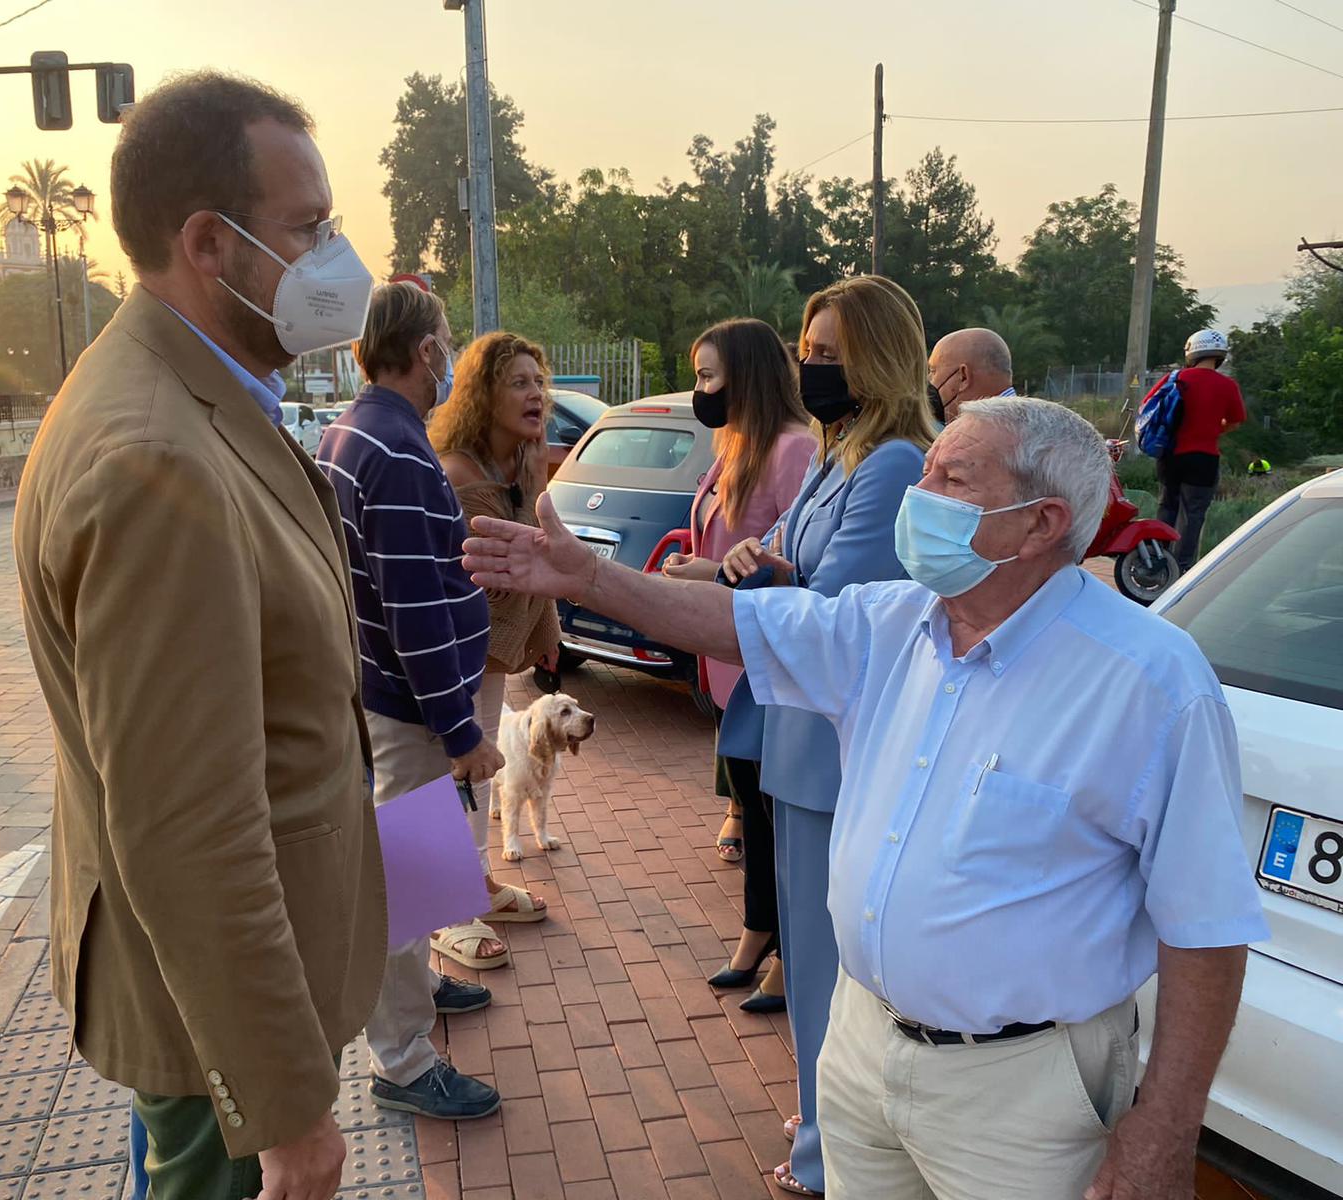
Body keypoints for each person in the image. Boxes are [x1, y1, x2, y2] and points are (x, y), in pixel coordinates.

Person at [462, 396, 1269, 1200]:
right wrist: (590, 579)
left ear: (1040, 523)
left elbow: (1207, 929)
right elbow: (734, 621)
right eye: (925, 471)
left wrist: (1167, 1125)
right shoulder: (893, 622)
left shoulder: (1149, 682)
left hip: (1022, 1092)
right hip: (861, 1044)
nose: (918, 497)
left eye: (952, 478)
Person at [12, 72, 385, 1200]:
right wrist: (284, 1109)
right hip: (218, 1022)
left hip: (228, 988)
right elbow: (188, 825)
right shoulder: (157, 459)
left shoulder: (189, 396)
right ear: (209, 246)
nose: (335, 260)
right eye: (307, 229)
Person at [716, 276, 932, 1191]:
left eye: (829, 354)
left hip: (833, 752)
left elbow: (835, 601)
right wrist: (754, 563)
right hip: (796, 740)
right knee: (810, 962)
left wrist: (761, 574)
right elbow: (793, 568)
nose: (810, 366)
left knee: (825, 967)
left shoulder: (891, 464)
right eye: (807, 349)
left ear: (878, 358)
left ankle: (824, 1154)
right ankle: (824, 1120)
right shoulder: (843, 453)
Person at [316, 281, 504, 1122]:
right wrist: (460, 728)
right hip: (405, 705)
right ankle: (401, 1059)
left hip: (383, 698)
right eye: (446, 339)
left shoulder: (356, 431)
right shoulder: (392, 451)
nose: (453, 352)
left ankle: (417, 993)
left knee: (417, 864)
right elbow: (414, 606)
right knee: (403, 876)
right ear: (424, 351)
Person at [662, 320, 817, 930]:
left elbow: (795, 562)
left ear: (746, 376)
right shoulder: (735, 444)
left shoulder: (792, 449)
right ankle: (758, 934)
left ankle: (779, 945)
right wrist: (700, 569)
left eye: (707, 376)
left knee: (770, 815)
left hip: (764, 664)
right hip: (727, 658)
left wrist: (707, 571)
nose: (700, 390)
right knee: (750, 806)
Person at [430, 330, 563, 931]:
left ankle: (470, 885)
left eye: (539, 381)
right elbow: (500, 576)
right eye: (518, 382)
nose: (535, 393)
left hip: (481, 656)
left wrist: (549, 629)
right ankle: (444, 912)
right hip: (451, 654)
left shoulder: (520, 462)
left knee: (477, 763)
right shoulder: (461, 474)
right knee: (440, 771)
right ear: (483, 395)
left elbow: (544, 564)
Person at [1150, 329, 1245, 570]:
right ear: (1220, 355)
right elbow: (1235, 421)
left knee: (1167, 506)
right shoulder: (1227, 385)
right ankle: (1181, 569)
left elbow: (1150, 411)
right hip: (1203, 459)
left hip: (1170, 456)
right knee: (1192, 516)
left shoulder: (1175, 378)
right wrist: (1213, 429)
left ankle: (1155, 565)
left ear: (1191, 352)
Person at [927, 327, 1014, 424]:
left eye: (933, 371)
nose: (929, 379)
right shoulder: (1025, 424)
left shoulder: (980, 433)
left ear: (963, 377)